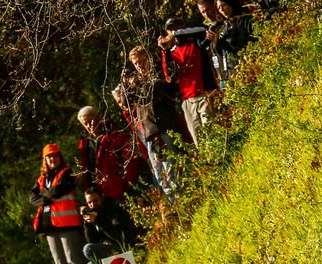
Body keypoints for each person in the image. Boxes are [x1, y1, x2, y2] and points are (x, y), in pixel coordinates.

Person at [122, 46, 184, 199]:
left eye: (142, 61)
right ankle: (175, 210)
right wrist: (125, 84)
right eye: (136, 63)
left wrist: (137, 84)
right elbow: (125, 103)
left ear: (148, 59)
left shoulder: (158, 74)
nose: (139, 66)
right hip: (150, 135)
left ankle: (186, 201)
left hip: (166, 129)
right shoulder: (136, 82)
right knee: (162, 177)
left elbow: (161, 91)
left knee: (174, 170)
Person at [29, 143, 85, 264]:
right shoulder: (41, 179)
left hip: (67, 223)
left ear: (60, 157)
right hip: (48, 225)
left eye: (55, 155)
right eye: (49, 157)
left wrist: (44, 194)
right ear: (44, 160)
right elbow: (32, 198)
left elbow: (59, 190)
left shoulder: (68, 173)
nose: (52, 159)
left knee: (73, 259)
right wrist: (47, 198)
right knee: (60, 263)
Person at [157, 16, 219, 146]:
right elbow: (167, 75)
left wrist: (174, 34)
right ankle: (209, 165)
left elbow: (202, 29)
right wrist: (163, 50)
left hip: (204, 95)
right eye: (170, 29)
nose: (173, 31)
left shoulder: (196, 41)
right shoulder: (171, 52)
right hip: (187, 101)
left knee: (212, 136)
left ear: (183, 26)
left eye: (176, 27)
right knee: (198, 141)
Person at [76, 185, 139, 264]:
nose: (92, 205)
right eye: (89, 203)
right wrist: (87, 223)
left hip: (122, 247)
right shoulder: (93, 213)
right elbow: (92, 241)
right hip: (106, 251)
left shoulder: (113, 209)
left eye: (95, 201)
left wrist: (98, 221)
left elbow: (119, 236)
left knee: (87, 249)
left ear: (102, 197)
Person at [77, 106, 142, 202]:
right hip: (97, 195)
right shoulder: (85, 143)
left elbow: (132, 160)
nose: (89, 126)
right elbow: (87, 169)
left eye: (91, 121)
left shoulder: (116, 135)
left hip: (119, 190)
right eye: (85, 124)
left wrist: (126, 184)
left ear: (97, 117)